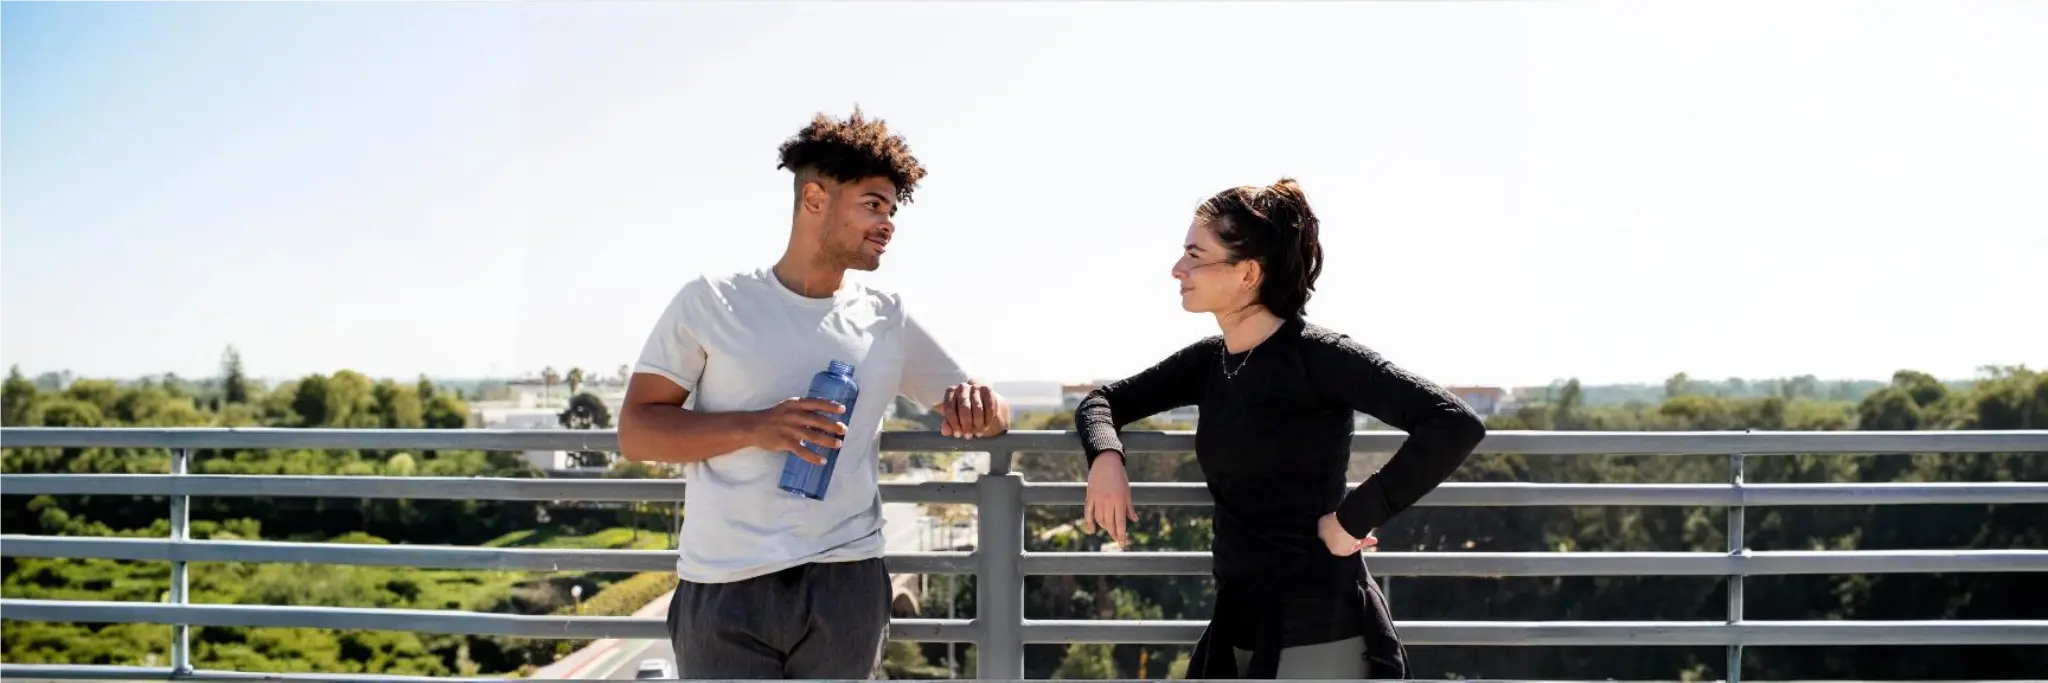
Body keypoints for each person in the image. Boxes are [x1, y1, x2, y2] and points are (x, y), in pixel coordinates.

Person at [618, 108, 1010, 680]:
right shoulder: (711, 301)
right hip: (724, 586)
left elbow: (991, 410)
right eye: (872, 205)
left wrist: (984, 406)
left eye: (891, 210)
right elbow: (637, 430)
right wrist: (757, 427)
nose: (888, 223)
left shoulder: (886, 317)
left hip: (845, 584)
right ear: (816, 199)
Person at [1075, 178, 1486, 679]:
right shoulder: (1211, 362)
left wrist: (1355, 517)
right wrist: (1106, 458)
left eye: (1194, 254)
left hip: (1319, 631)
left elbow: (1453, 423)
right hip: (1239, 626)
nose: (1177, 269)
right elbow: (1103, 401)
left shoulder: (1320, 355)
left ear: (1247, 272)